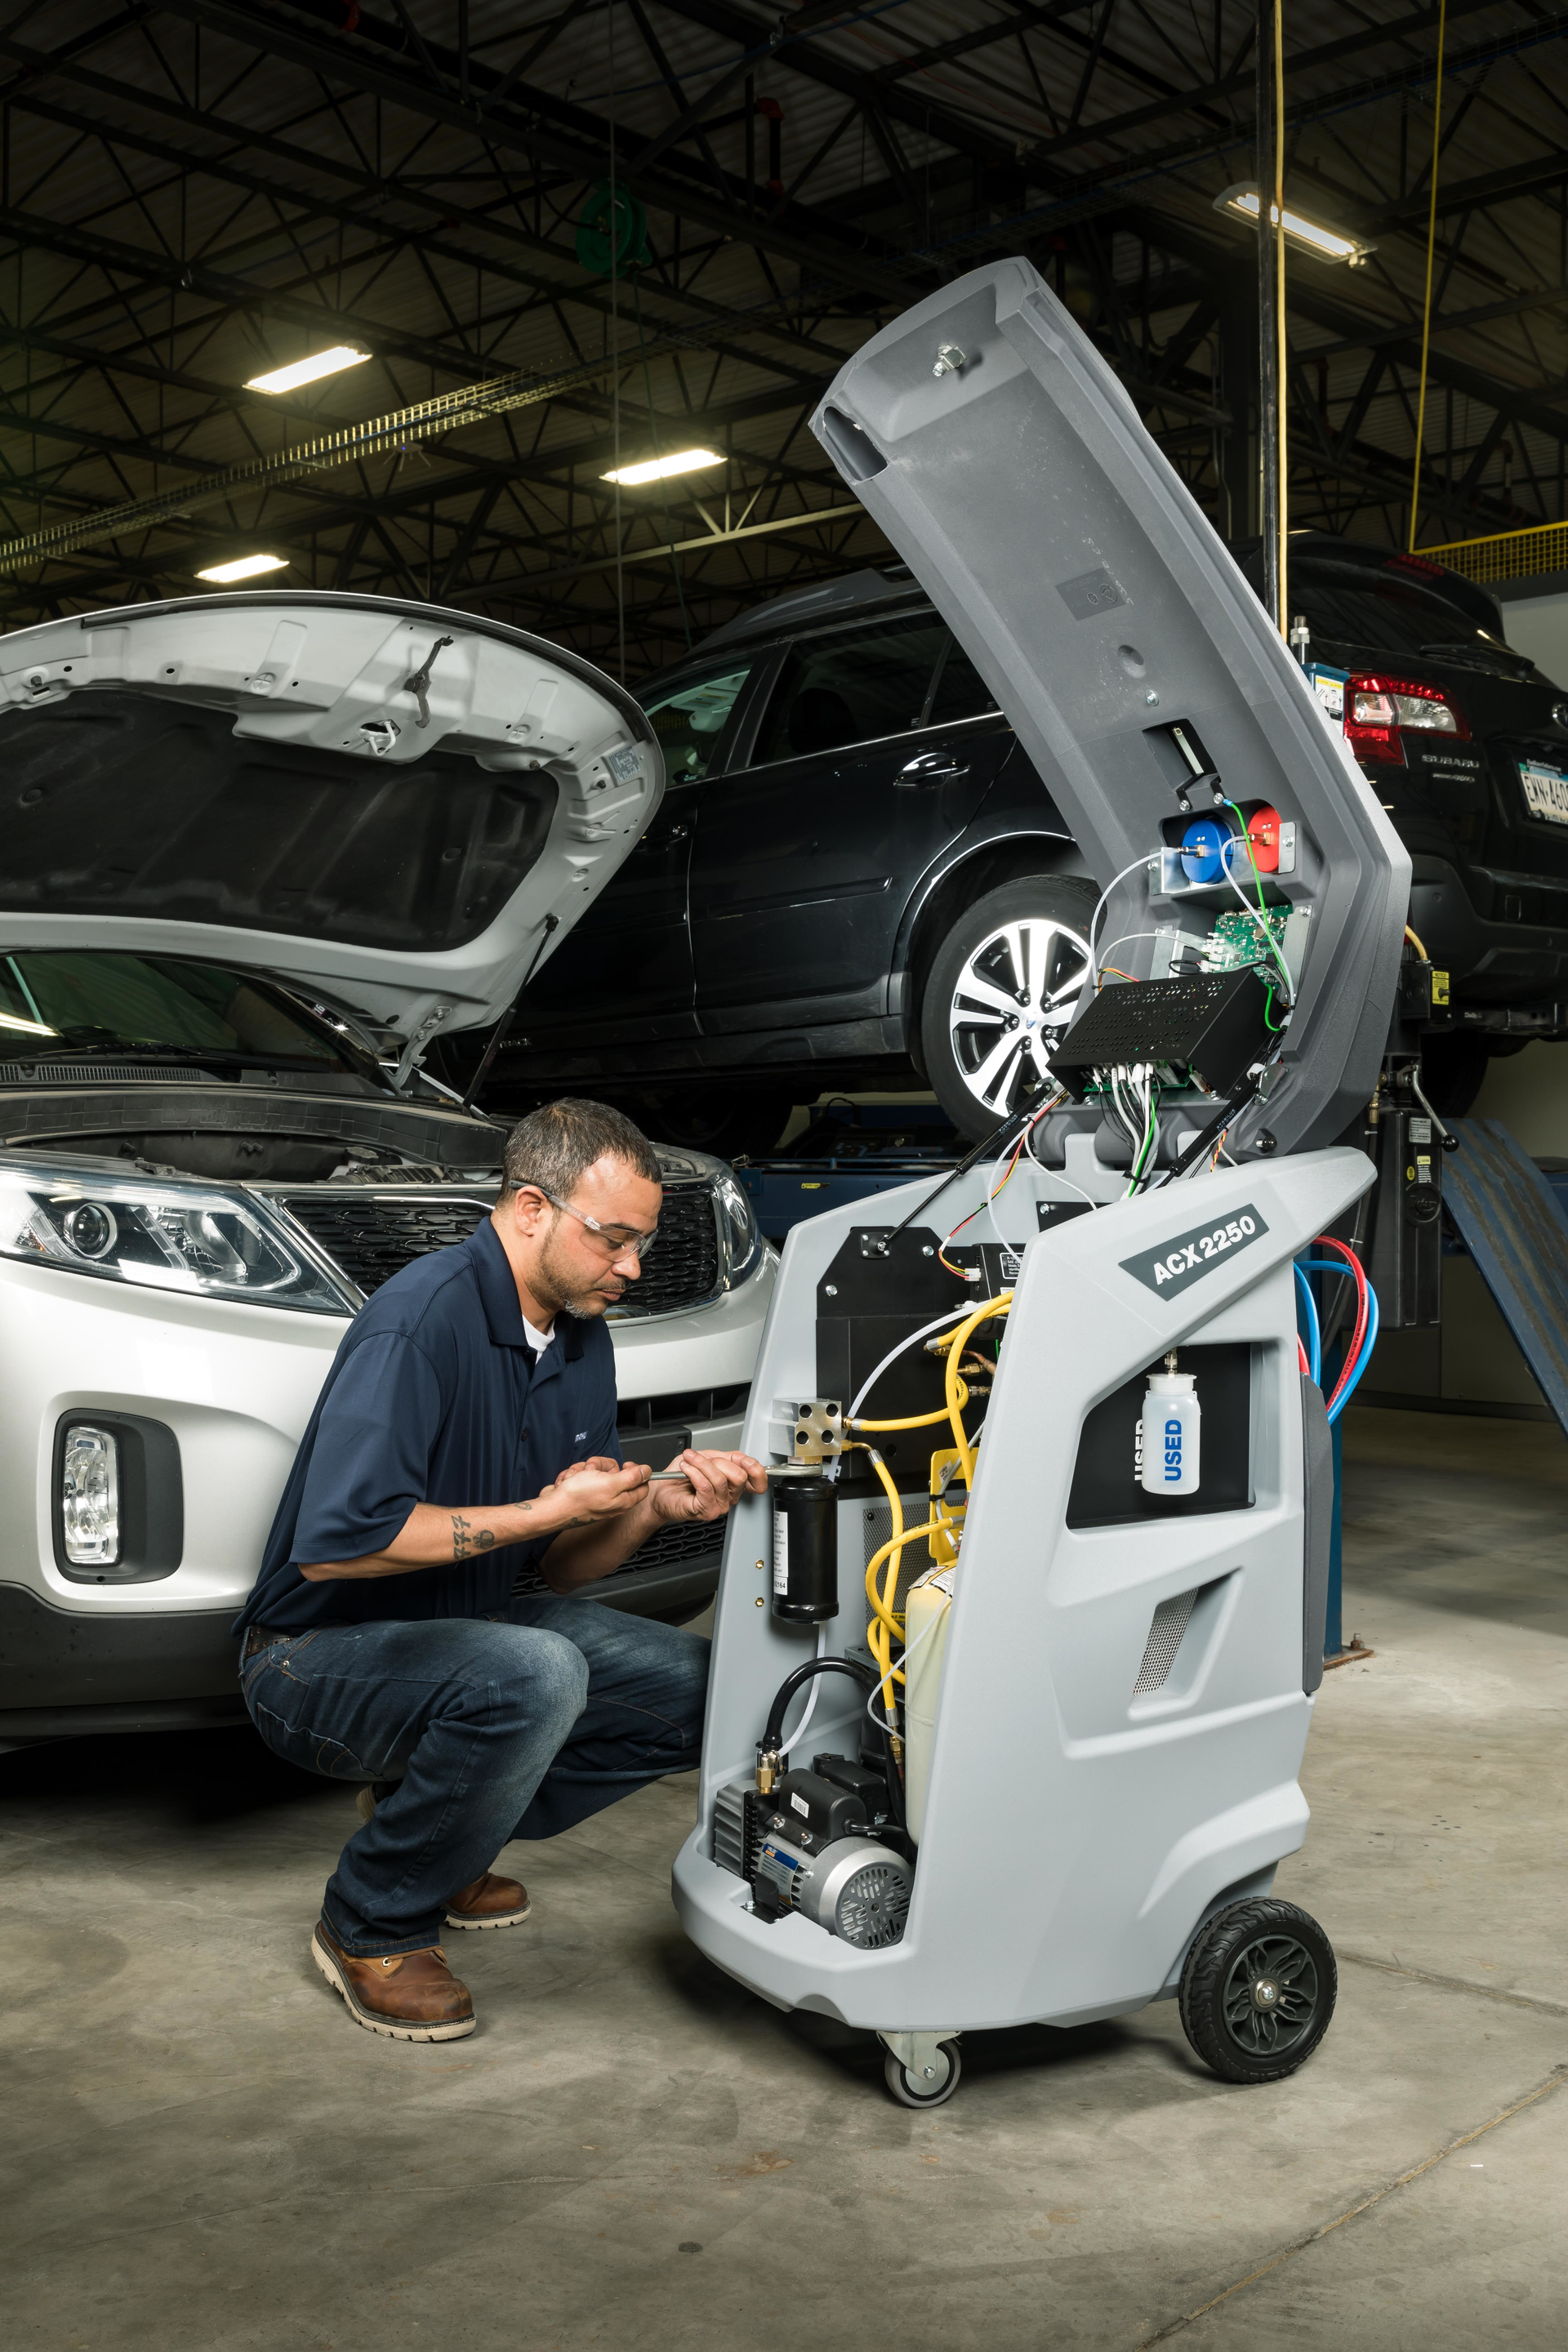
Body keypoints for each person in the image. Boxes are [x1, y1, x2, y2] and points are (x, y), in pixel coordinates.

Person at [234, 1098, 766, 2042]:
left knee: (717, 1692)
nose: (633, 1268)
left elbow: (562, 1570)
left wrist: (648, 1506)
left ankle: (444, 1834)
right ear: (530, 1210)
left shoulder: (580, 1337)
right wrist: (542, 1509)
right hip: (310, 1658)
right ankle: (373, 1921)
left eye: (642, 1243)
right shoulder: (419, 1322)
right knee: (537, 1673)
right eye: (613, 1240)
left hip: (469, 1636)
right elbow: (336, 1543)